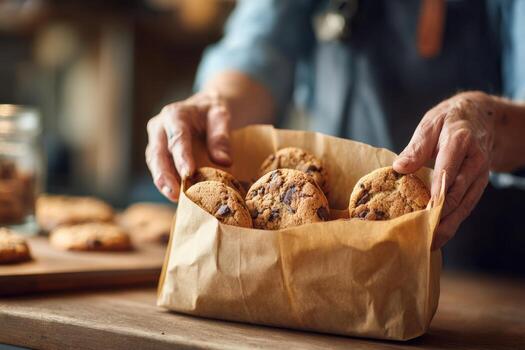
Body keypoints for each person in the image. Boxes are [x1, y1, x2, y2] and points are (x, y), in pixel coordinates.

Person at [145, 1, 525, 258]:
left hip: (483, 259)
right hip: (320, 256)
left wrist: (487, 118)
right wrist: (213, 104)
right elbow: (259, 48)